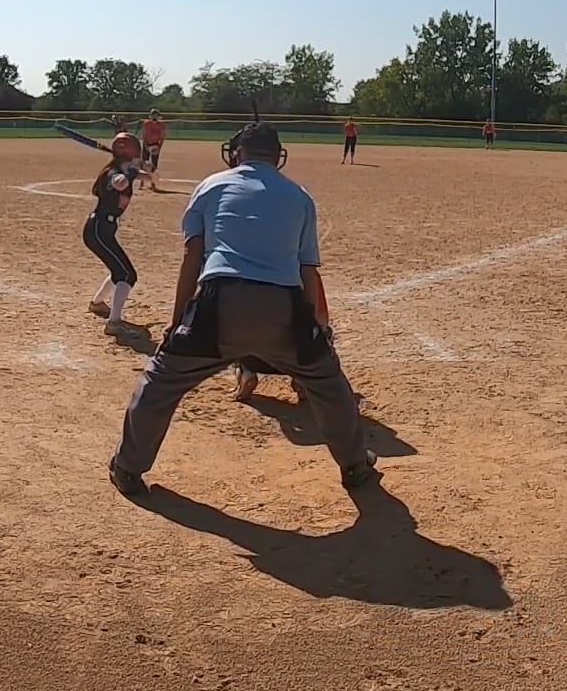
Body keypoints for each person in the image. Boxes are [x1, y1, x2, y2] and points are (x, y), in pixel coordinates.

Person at [108, 120, 377, 500]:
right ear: (278, 156)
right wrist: (315, 330)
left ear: (237, 154)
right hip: (283, 308)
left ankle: (128, 467)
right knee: (329, 384)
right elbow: (307, 272)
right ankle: (355, 465)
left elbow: (192, 257)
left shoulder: (211, 185)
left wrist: (177, 322)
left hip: (220, 304)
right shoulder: (299, 196)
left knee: (160, 382)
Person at [84, 133, 151, 333]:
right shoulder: (113, 173)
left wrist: (141, 170)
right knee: (127, 275)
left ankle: (97, 303)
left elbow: (149, 177)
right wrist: (132, 171)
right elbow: (120, 183)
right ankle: (114, 323)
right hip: (98, 230)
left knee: (119, 271)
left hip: (103, 230)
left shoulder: (122, 170)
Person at [140, 110, 167, 190]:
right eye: (153, 115)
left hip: (155, 145)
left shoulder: (161, 126)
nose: (154, 117)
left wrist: (159, 147)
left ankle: (153, 183)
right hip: (147, 144)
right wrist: (145, 145)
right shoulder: (146, 124)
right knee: (144, 163)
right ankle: (142, 181)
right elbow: (144, 135)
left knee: (154, 164)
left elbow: (162, 137)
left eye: (156, 115)